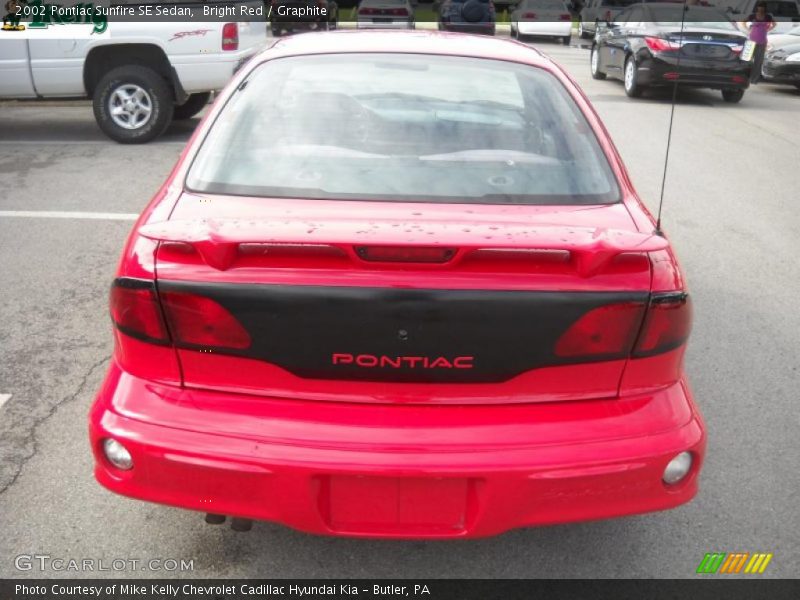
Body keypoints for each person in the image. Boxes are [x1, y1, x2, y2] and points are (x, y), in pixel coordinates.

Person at [742, 1, 776, 83]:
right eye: (760, 7)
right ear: (757, 7)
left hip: (762, 41)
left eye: (763, 7)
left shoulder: (768, 17)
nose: (761, 8)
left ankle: (754, 79)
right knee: (747, 60)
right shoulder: (752, 16)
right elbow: (743, 22)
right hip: (752, 40)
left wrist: (767, 29)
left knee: (758, 61)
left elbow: (774, 24)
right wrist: (748, 29)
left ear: (765, 8)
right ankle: (745, 78)